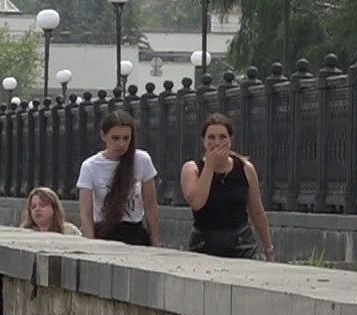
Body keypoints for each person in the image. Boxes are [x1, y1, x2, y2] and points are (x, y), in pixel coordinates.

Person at [180, 113, 276, 260]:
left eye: (222, 137)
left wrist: (269, 250)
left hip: (241, 244)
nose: (217, 143)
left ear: (231, 139)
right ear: (203, 141)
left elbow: (256, 211)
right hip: (205, 244)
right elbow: (197, 203)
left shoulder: (245, 168)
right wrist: (210, 166)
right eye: (211, 138)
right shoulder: (192, 169)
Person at [76, 110, 161, 247]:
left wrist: (155, 243)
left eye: (126, 138)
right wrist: (90, 243)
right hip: (105, 232)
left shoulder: (142, 160)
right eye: (115, 138)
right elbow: (86, 212)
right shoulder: (90, 166)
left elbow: (151, 206)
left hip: (134, 232)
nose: (121, 144)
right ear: (104, 136)